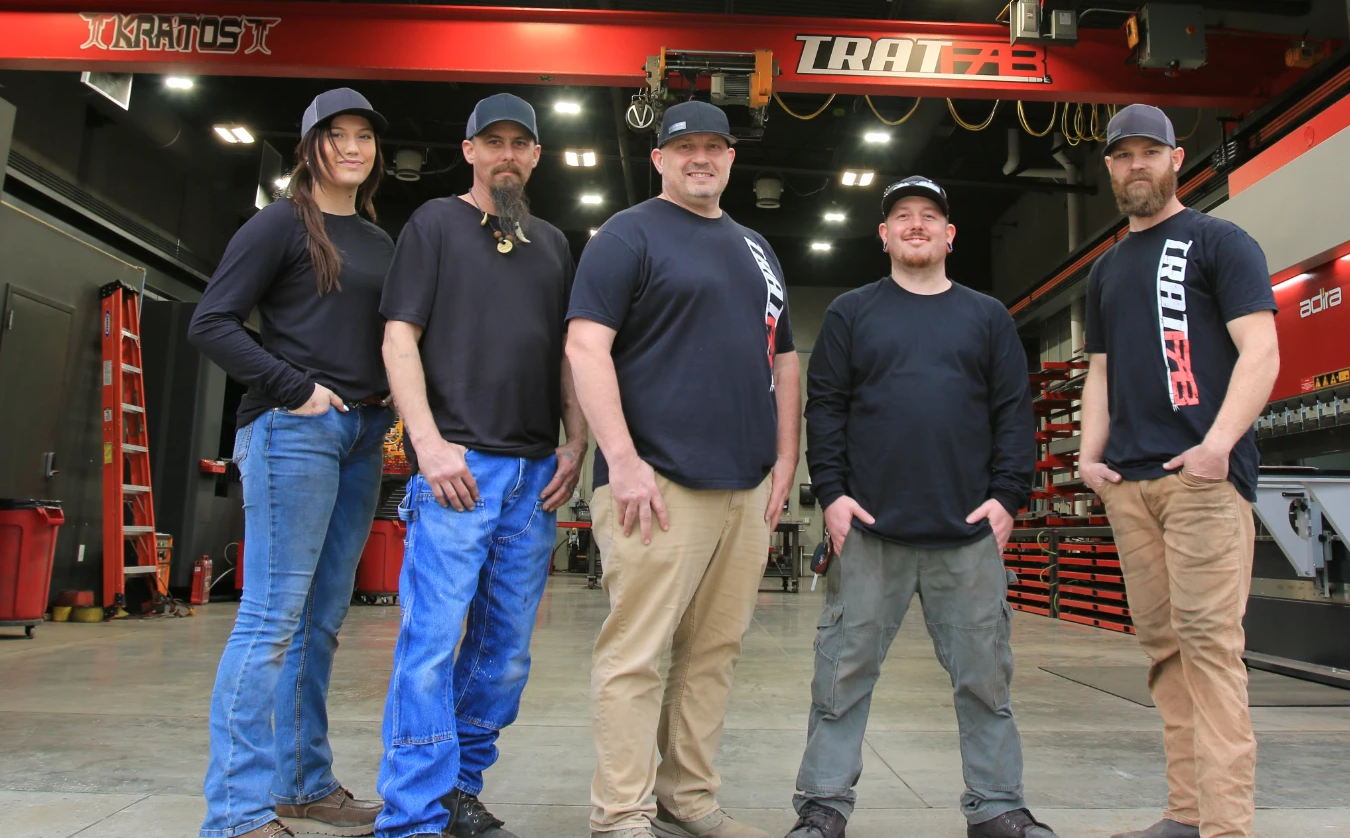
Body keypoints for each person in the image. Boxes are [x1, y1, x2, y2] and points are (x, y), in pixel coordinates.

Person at [785, 176, 1055, 838]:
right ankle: (823, 807)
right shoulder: (851, 313)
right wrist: (834, 494)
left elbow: (1012, 415)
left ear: (948, 233)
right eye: (901, 216)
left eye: (927, 216)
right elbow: (827, 410)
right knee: (841, 674)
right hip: (870, 530)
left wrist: (1008, 499)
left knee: (985, 678)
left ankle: (997, 806)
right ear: (882, 233)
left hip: (967, 532)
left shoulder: (987, 317)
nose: (914, 225)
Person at [565, 100, 801, 838]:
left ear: (732, 158)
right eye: (685, 147)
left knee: (713, 654)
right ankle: (622, 812)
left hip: (745, 486)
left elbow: (784, 358)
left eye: (715, 147)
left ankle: (688, 796)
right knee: (636, 656)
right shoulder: (626, 236)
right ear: (660, 159)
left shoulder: (757, 247)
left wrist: (786, 458)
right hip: (656, 486)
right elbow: (583, 348)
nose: (701, 158)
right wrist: (623, 460)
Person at [374, 93, 587, 838]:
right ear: (468, 150)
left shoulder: (554, 244)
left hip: (534, 476)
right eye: (490, 141)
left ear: (534, 158)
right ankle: (409, 816)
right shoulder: (434, 225)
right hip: (457, 468)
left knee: (503, 658)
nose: (505, 154)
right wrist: (426, 445)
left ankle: (458, 789)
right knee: (430, 646)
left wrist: (577, 440)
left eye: (518, 144)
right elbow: (399, 339)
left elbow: (568, 353)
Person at [192, 88, 395, 838]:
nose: (352, 146)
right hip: (293, 431)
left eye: (364, 136)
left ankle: (302, 783)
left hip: (363, 434)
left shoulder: (377, 238)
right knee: (270, 620)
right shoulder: (279, 224)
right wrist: (296, 386)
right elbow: (210, 322)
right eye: (336, 135)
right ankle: (237, 813)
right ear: (310, 145)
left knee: (320, 621)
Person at [1077, 105, 1280, 838]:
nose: (1136, 165)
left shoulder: (1219, 241)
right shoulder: (1105, 269)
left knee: (1210, 647)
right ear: (1108, 167)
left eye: (1149, 153)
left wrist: (1218, 445)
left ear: (1175, 158)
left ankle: (1226, 825)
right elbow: (1100, 371)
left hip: (1201, 481)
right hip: (1130, 486)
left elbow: (1261, 351)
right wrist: (1088, 457)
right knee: (1164, 649)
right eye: (1123, 154)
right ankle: (1186, 812)